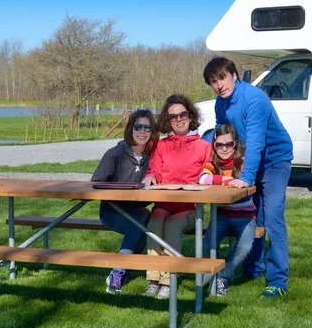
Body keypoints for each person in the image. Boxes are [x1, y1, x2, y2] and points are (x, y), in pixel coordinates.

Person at [203, 56, 293, 298]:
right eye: (213, 81)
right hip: (251, 162)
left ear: (234, 75)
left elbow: (255, 141)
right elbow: (220, 135)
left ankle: (277, 281)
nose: (219, 85)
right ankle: (253, 268)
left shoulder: (254, 99)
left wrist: (247, 177)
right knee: (254, 219)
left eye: (222, 77)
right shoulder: (220, 104)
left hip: (275, 161)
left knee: (272, 217)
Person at [141, 94, 212, 299]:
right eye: (173, 116)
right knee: (154, 221)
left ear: (190, 116)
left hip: (190, 209)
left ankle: (169, 279)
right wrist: (151, 177)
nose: (179, 119)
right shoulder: (161, 146)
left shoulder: (203, 147)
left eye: (183, 114)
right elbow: (154, 170)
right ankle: (154, 279)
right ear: (167, 120)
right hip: (163, 205)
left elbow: (208, 174)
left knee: (172, 225)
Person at [91, 109, 159, 294]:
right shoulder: (115, 154)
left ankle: (120, 272)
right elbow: (96, 182)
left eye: (147, 127)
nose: (142, 131)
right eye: (138, 126)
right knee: (142, 226)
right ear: (131, 128)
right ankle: (121, 270)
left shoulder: (154, 156)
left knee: (145, 219)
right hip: (112, 212)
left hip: (138, 211)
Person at [199, 123, 258, 296]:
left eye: (229, 144)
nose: (224, 149)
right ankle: (214, 273)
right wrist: (225, 180)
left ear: (235, 144)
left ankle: (223, 276)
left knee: (246, 246)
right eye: (220, 145)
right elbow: (202, 179)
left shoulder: (243, 161)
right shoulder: (212, 164)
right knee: (207, 244)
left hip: (245, 217)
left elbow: (250, 179)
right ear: (214, 145)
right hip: (221, 216)